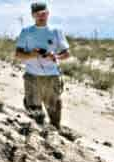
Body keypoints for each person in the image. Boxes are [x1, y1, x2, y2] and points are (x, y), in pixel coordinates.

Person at [14, 1, 70, 129]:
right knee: (35, 114)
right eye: (38, 14)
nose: (42, 16)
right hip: (32, 77)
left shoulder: (56, 31)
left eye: (44, 14)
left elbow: (67, 54)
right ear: (33, 15)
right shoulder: (26, 31)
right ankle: (39, 137)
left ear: (48, 14)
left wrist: (56, 57)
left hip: (52, 77)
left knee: (55, 112)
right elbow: (17, 54)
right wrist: (32, 55)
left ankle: (56, 133)